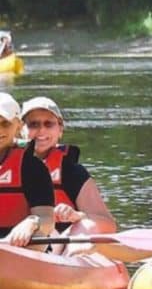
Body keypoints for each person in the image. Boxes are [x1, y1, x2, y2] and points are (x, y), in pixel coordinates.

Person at [20, 96, 117, 239]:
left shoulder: (72, 172)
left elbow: (109, 224)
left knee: (87, 225)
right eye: (33, 124)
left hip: (61, 246)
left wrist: (76, 216)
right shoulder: (5, 165)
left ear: (60, 130)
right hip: (11, 241)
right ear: (19, 129)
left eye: (49, 124)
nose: (41, 131)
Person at [0, 93, 55, 249]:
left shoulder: (32, 167)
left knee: (37, 234)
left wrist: (33, 222)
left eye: (5, 124)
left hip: (19, 247)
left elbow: (47, 219)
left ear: (18, 126)